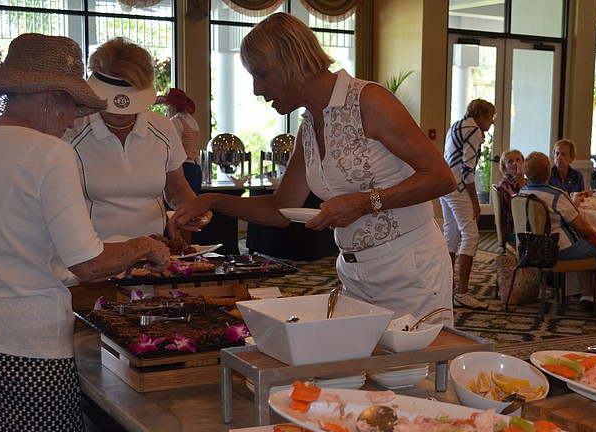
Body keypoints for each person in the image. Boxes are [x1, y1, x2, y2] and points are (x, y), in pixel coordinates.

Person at [0, 33, 171, 432]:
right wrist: (145, 245)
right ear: (49, 96)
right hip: (32, 351)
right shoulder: (49, 154)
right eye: (72, 101)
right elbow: (87, 262)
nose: (74, 117)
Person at [168, 13, 455, 323]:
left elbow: (441, 177)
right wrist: (213, 200)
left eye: (261, 75)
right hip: (354, 272)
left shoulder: (370, 101)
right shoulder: (309, 128)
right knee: (364, 366)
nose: (255, 89)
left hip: (411, 267)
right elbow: (282, 210)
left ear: (292, 63)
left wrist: (364, 203)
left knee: (418, 369)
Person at [63, 38, 211, 240]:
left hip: (152, 254)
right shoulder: (72, 129)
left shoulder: (163, 128)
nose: (121, 113)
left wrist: (192, 210)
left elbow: (176, 187)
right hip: (95, 253)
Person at [519, 151, 596, 312]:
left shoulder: (522, 193)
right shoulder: (556, 195)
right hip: (556, 248)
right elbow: (581, 226)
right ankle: (595, 296)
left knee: (586, 244)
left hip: (530, 247)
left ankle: (587, 293)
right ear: (548, 172)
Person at [442, 98, 495, 310]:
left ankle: (447, 289)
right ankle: (462, 292)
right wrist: (475, 201)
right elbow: (467, 169)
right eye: (490, 117)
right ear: (480, 115)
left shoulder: (457, 125)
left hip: (445, 185)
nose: (491, 122)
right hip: (459, 188)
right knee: (471, 235)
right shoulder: (473, 130)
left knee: (451, 236)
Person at [156, 87, 202, 195]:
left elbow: (173, 147)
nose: (165, 109)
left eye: (166, 106)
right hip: (195, 167)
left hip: (184, 167)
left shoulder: (175, 121)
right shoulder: (191, 120)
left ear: (171, 106)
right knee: (192, 202)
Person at [496, 148, 525, 245]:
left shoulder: (526, 181)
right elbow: (519, 206)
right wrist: (521, 181)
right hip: (514, 228)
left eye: (518, 160)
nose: (515, 163)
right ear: (504, 168)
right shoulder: (505, 184)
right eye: (510, 161)